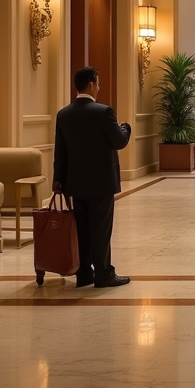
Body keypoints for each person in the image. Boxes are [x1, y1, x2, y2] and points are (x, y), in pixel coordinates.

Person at [53, 66, 132, 288]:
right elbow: (119, 141)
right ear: (91, 84)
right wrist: (126, 128)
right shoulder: (104, 111)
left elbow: (60, 151)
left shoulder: (64, 114)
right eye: (98, 83)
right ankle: (104, 274)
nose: (99, 87)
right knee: (101, 229)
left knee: (83, 230)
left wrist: (57, 180)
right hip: (101, 183)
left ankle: (84, 274)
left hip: (75, 183)